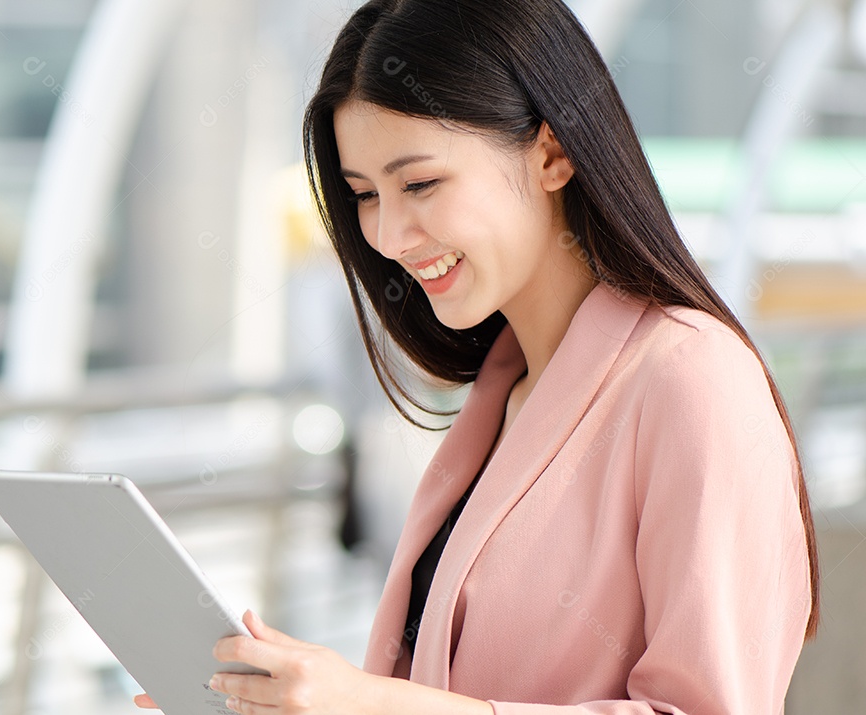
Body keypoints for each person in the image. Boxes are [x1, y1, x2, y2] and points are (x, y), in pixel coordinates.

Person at [135, 0, 819, 712]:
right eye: (364, 195)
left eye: (421, 183)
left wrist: (370, 706)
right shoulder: (502, 390)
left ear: (553, 153)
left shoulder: (691, 377)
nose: (391, 236)